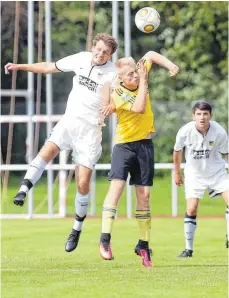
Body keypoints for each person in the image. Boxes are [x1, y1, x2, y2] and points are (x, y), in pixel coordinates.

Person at [5, 33, 118, 252]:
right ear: (93, 46)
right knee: (47, 151)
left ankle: (76, 228)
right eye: (98, 49)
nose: (100, 54)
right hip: (70, 121)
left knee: (83, 184)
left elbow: (116, 100)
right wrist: (20, 66)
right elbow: (49, 67)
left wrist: (111, 107)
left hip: (91, 131)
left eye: (105, 52)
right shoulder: (81, 59)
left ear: (110, 55)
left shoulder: (113, 74)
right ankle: (23, 190)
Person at [98, 52, 179, 268]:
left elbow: (151, 54)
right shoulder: (118, 94)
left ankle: (143, 245)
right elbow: (140, 107)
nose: (135, 74)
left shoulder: (138, 73)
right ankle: (104, 240)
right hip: (124, 147)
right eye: (130, 74)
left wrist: (170, 65)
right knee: (116, 190)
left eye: (136, 71)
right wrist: (143, 80)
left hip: (145, 145)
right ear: (121, 79)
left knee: (144, 197)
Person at [173, 101, 229, 257]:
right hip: (194, 174)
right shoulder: (185, 131)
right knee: (191, 208)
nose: (202, 117)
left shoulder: (219, 131)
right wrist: (177, 173)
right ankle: (188, 249)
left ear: (210, 116)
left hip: (217, 172)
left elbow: (227, 152)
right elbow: (177, 151)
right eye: (199, 114)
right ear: (193, 116)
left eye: (205, 114)